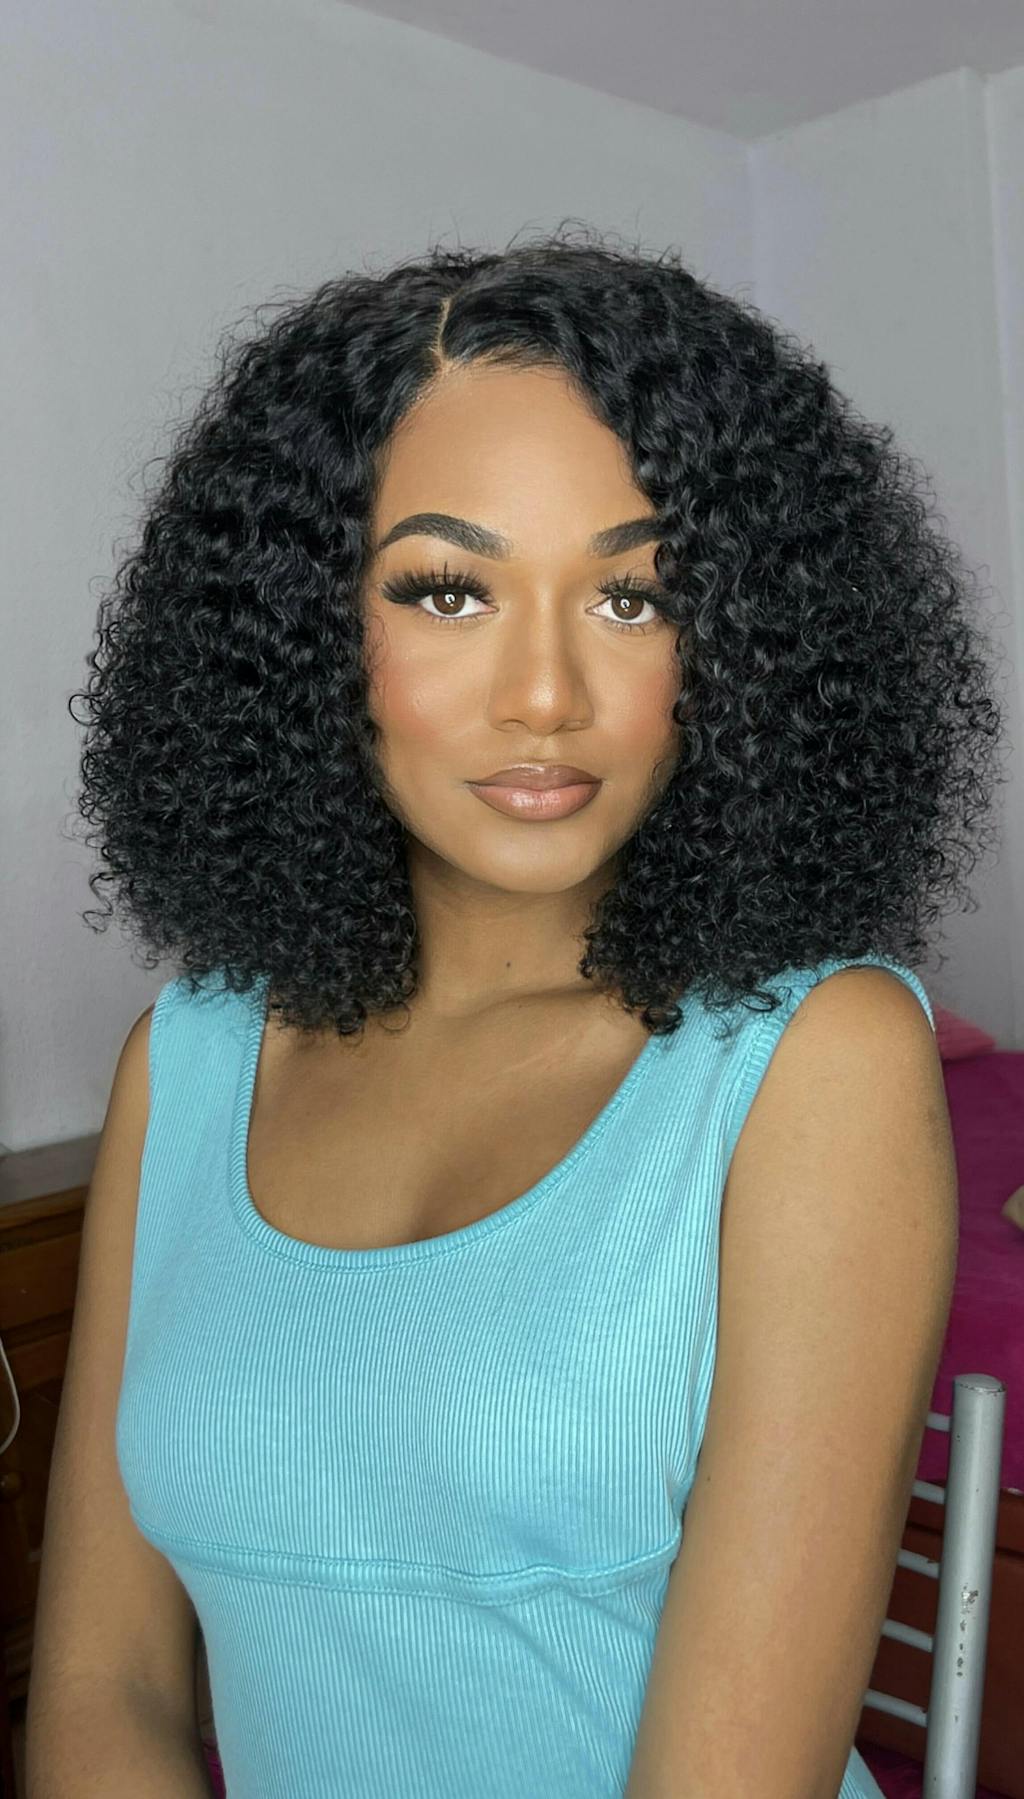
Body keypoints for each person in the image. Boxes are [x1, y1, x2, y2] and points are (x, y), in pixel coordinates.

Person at [27, 223, 1007, 1797]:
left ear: (737, 644)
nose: (545, 693)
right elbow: (104, 1686)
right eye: (447, 591)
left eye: (633, 598)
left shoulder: (816, 1057)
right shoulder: (191, 1058)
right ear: (305, 630)